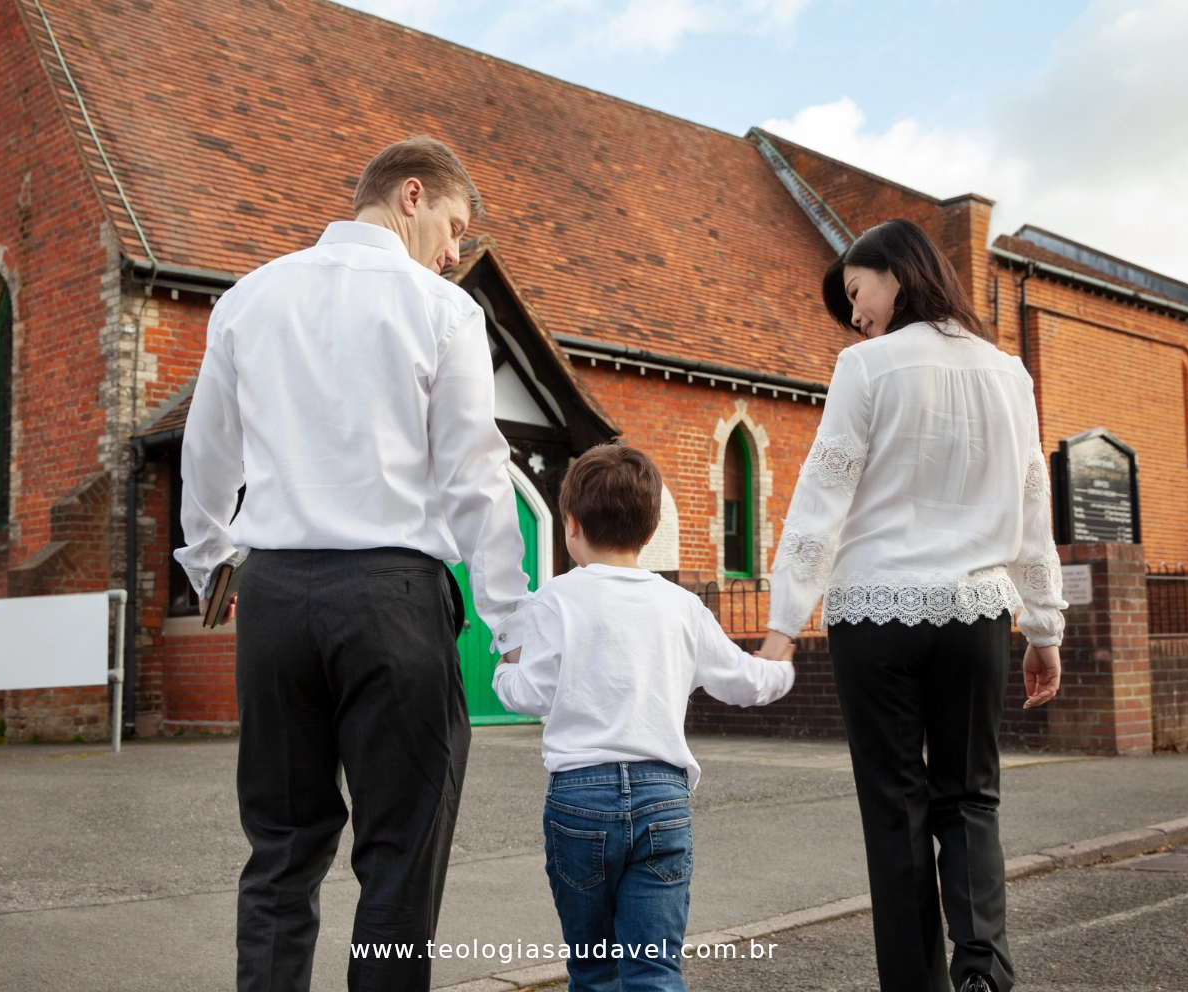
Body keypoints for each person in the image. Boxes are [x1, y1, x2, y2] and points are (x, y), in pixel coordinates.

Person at [175, 136, 532, 992]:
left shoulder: (249, 299)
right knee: (400, 858)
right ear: (410, 195)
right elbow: (476, 476)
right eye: (454, 225)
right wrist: (512, 620)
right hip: (390, 600)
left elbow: (207, 451)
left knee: (281, 850)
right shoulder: (443, 312)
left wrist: (210, 556)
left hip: (272, 604)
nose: (456, 253)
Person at [758, 219, 1066, 992]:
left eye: (857, 293)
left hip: (875, 616)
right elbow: (1034, 506)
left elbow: (822, 495)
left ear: (897, 272)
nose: (854, 314)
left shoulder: (867, 368)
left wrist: (782, 625)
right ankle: (983, 975)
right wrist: (1043, 626)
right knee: (972, 799)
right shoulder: (1011, 376)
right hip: (976, 615)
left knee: (896, 810)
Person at [494, 444, 794, 992]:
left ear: (572, 525)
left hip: (578, 800)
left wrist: (504, 666)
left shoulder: (554, 601)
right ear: (651, 532)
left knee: (593, 971)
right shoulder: (682, 606)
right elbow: (745, 681)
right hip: (663, 798)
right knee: (653, 971)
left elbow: (528, 695)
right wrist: (782, 663)